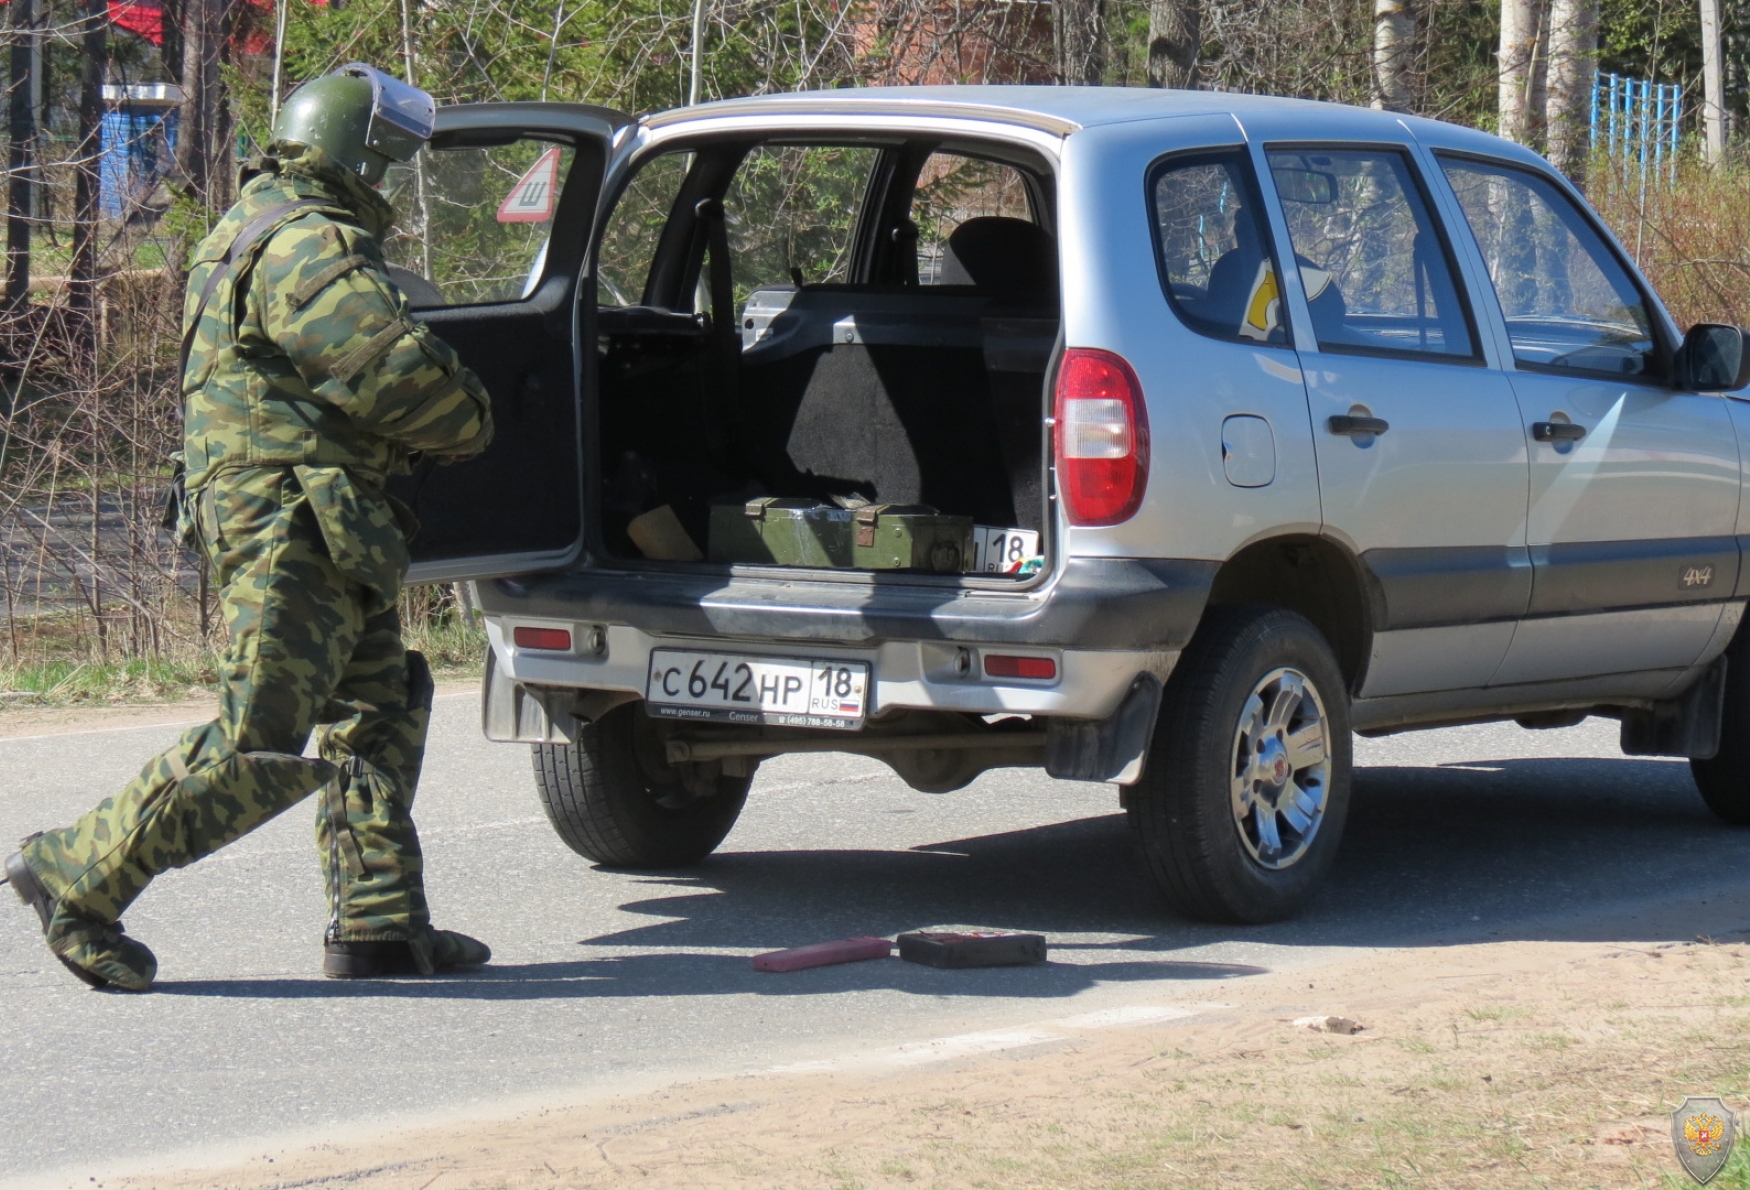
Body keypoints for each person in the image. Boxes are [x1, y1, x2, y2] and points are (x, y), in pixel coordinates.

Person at [4, 64, 494, 991]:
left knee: (376, 714)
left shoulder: (265, 222)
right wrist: (478, 415)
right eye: (387, 165)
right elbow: (397, 375)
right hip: (289, 523)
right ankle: (76, 874)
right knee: (258, 734)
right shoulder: (309, 245)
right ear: (358, 160)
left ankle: (381, 926)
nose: (390, 184)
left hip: (330, 520)